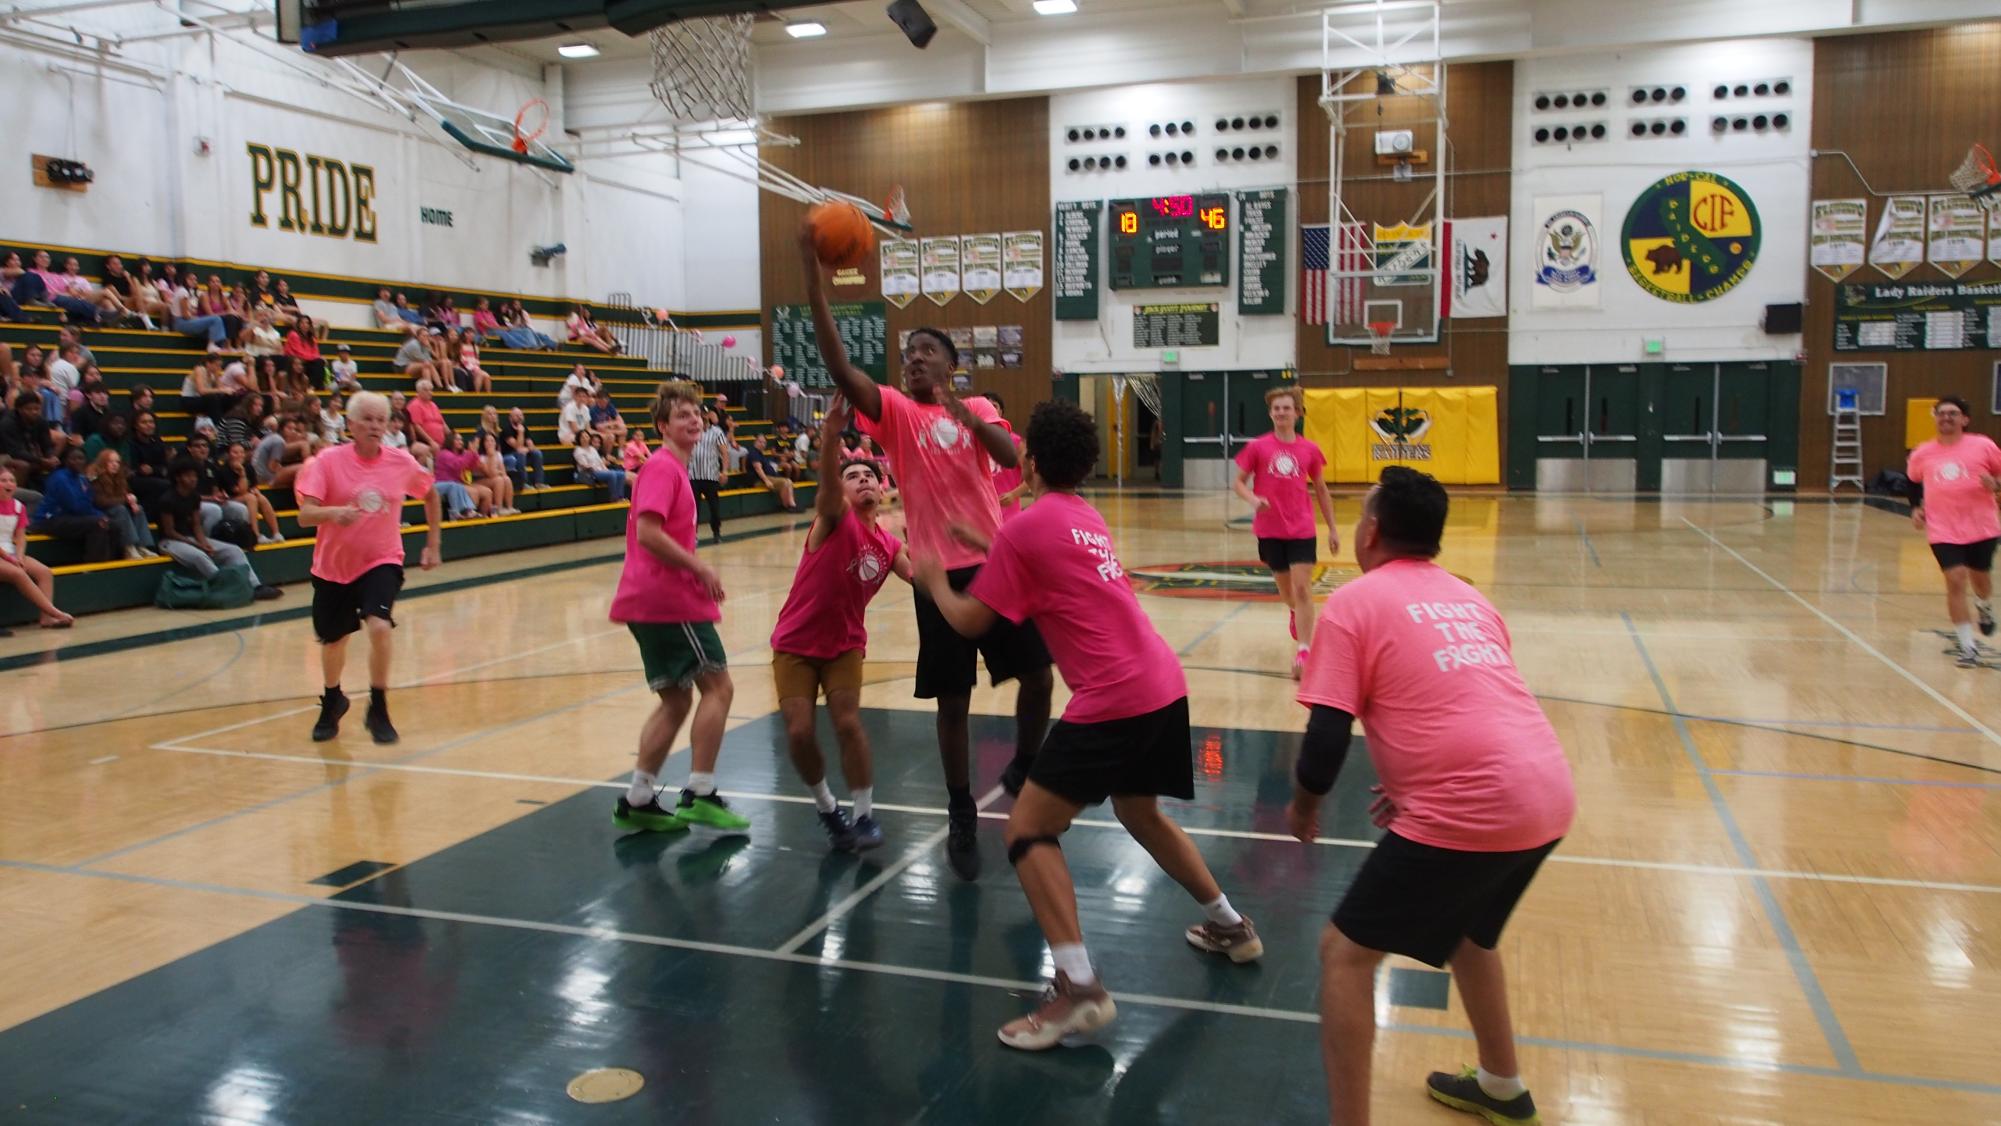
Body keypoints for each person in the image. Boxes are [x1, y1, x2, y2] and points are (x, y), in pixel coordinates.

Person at [916, 399, 1261, 1049]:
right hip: (1162, 683)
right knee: (1141, 813)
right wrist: (987, 543)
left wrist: (934, 578)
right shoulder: (1083, 516)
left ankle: (1077, 987)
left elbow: (967, 620)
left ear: (1034, 462)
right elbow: (1043, 565)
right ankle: (1230, 925)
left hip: (1114, 698)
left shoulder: (1029, 526)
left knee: (1027, 829)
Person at [1287, 466, 1575, 1126]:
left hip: (1473, 806)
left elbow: (1325, 740)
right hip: (1546, 790)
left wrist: (1303, 807)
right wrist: (1411, 784)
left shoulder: (1353, 605)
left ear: (1371, 532)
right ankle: (1501, 1085)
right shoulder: (1471, 599)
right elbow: (1465, 700)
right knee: (1468, 935)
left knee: (1343, 954)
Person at [801, 220, 1053, 880]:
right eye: (906, 351)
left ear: (949, 365)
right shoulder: (892, 411)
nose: (910, 357)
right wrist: (810, 267)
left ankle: (1025, 766)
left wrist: (968, 414)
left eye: (924, 351)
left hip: (993, 564)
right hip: (937, 575)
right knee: (952, 703)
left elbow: (1010, 455)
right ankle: (960, 808)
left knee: (1038, 676)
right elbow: (837, 365)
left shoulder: (971, 409)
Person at [607, 380, 748, 834]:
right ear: (662, 425)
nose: (694, 419)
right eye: (683, 414)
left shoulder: (673, 470)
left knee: (675, 698)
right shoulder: (663, 468)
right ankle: (701, 793)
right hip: (667, 598)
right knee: (719, 687)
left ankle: (639, 799)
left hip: (645, 599)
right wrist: (701, 568)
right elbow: (648, 533)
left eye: (697, 413)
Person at [771, 400, 911, 851]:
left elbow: (924, 576)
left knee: (848, 724)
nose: (862, 479)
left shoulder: (889, 543)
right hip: (795, 642)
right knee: (798, 732)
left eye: (869, 475)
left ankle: (865, 815)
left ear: (883, 485)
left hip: (845, 646)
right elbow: (828, 486)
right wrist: (831, 433)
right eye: (853, 476)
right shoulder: (833, 518)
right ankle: (827, 806)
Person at [296, 391, 443, 744]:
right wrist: (333, 513)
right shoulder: (326, 462)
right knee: (334, 642)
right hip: (333, 567)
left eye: (381, 419)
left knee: (379, 627)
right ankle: (333, 700)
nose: (376, 426)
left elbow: (430, 494)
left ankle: (378, 706)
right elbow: (305, 515)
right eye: (368, 419)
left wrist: (433, 544)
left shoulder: (400, 461)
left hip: (382, 559)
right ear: (351, 425)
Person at [1234, 386, 1339, 679]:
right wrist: (1254, 500)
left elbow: (1320, 489)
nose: (1281, 413)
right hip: (1270, 530)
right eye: (1276, 408)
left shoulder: (1310, 450)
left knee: (1304, 588)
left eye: (1286, 408)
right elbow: (1239, 482)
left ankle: (1304, 650)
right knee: (1286, 591)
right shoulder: (1258, 447)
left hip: (1302, 528)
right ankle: (1294, 611)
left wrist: (1332, 529)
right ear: (1271, 413)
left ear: (1297, 413)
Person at [1907, 395, 2001, 667]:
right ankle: (1968, 646)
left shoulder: (1983, 445)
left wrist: (1994, 484)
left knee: (1979, 578)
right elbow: (1913, 482)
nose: (1946, 418)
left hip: (1981, 525)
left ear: (1965, 419)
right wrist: (1916, 507)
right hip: (1943, 528)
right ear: (1935, 417)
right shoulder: (1923, 452)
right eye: (1941, 413)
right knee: (1956, 578)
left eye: (1953, 413)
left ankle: (1984, 607)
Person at [157, 456, 282, 601]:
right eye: (188, 475)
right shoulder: (167, 499)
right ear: (178, 478)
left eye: (194, 475)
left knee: (233, 550)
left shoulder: (194, 497)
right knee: (200, 557)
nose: (193, 479)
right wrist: (196, 545)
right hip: (170, 542)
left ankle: (256, 586)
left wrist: (204, 543)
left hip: (191, 539)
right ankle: (226, 586)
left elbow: (196, 525)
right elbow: (169, 531)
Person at [0, 467, 72, 628]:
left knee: (44, 572)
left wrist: (19, 556)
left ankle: (46, 618)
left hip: (10, 551)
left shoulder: (19, 507)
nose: (8, 484)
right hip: (2, 554)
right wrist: (9, 558)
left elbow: (20, 536)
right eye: (3, 480)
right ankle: (54, 612)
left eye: (12, 480)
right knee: (18, 573)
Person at [32, 446, 118, 562]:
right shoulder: (59, 478)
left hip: (71, 517)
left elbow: (89, 503)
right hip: (49, 519)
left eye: (81, 458)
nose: (78, 461)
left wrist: (102, 516)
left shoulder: (82, 479)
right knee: (97, 524)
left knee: (113, 524)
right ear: (66, 461)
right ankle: (93, 567)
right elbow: (74, 506)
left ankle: (110, 563)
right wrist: (98, 517)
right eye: (74, 459)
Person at [88, 449, 158, 559]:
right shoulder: (95, 478)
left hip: (117, 508)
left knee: (138, 509)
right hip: (100, 512)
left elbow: (125, 494)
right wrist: (126, 500)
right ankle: (128, 547)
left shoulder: (120, 477)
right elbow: (101, 501)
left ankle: (142, 546)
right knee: (121, 509)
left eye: (117, 462)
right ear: (103, 462)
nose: (115, 465)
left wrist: (132, 500)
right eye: (111, 462)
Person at [687, 405, 735, 543]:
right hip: (693, 475)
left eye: (704, 413)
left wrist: (724, 471)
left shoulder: (717, 432)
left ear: (708, 415)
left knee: (714, 508)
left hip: (711, 476)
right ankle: (692, 535)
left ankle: (716, 532)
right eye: (699, 413)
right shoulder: (691, 431)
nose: (702, 416)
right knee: (693, 509)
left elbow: (724, 453)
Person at [500, 406, 547, 491]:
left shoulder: (524, 427)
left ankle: (539, 482)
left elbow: (531, 446)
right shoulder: (507, 429)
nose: (519, 417)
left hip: (521, 454)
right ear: (510, 418)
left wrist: (527, 449)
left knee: (537, 453)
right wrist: (520, 433)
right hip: (508, 455)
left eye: (521, 415)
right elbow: (517, 447)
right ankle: (523, 483)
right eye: (516, 415)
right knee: (521, 454)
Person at [746, 436, 798, 512]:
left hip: (769, 476)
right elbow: (758, 469)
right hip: (759, 480)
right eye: (760, 442)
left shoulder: (760, 454)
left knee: (788, 481)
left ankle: (790, 505)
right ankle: (789, 505)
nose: (762, 444)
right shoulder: (753, 453)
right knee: (785, 482)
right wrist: (766, 481)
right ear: (755, 442)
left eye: (764, 443)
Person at [572, 431, 627, 502]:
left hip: (599, 469)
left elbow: (600, 462)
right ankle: (614, 498)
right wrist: (598, 469)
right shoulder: (578, 450)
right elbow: (585, 465)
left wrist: (605, 469)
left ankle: (620, 497)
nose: (585, 438)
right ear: (579, 439)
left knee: (621, 474)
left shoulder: (592, 449)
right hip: (590, 472)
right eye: (582, 437)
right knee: (612, 474)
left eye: (586, 436)